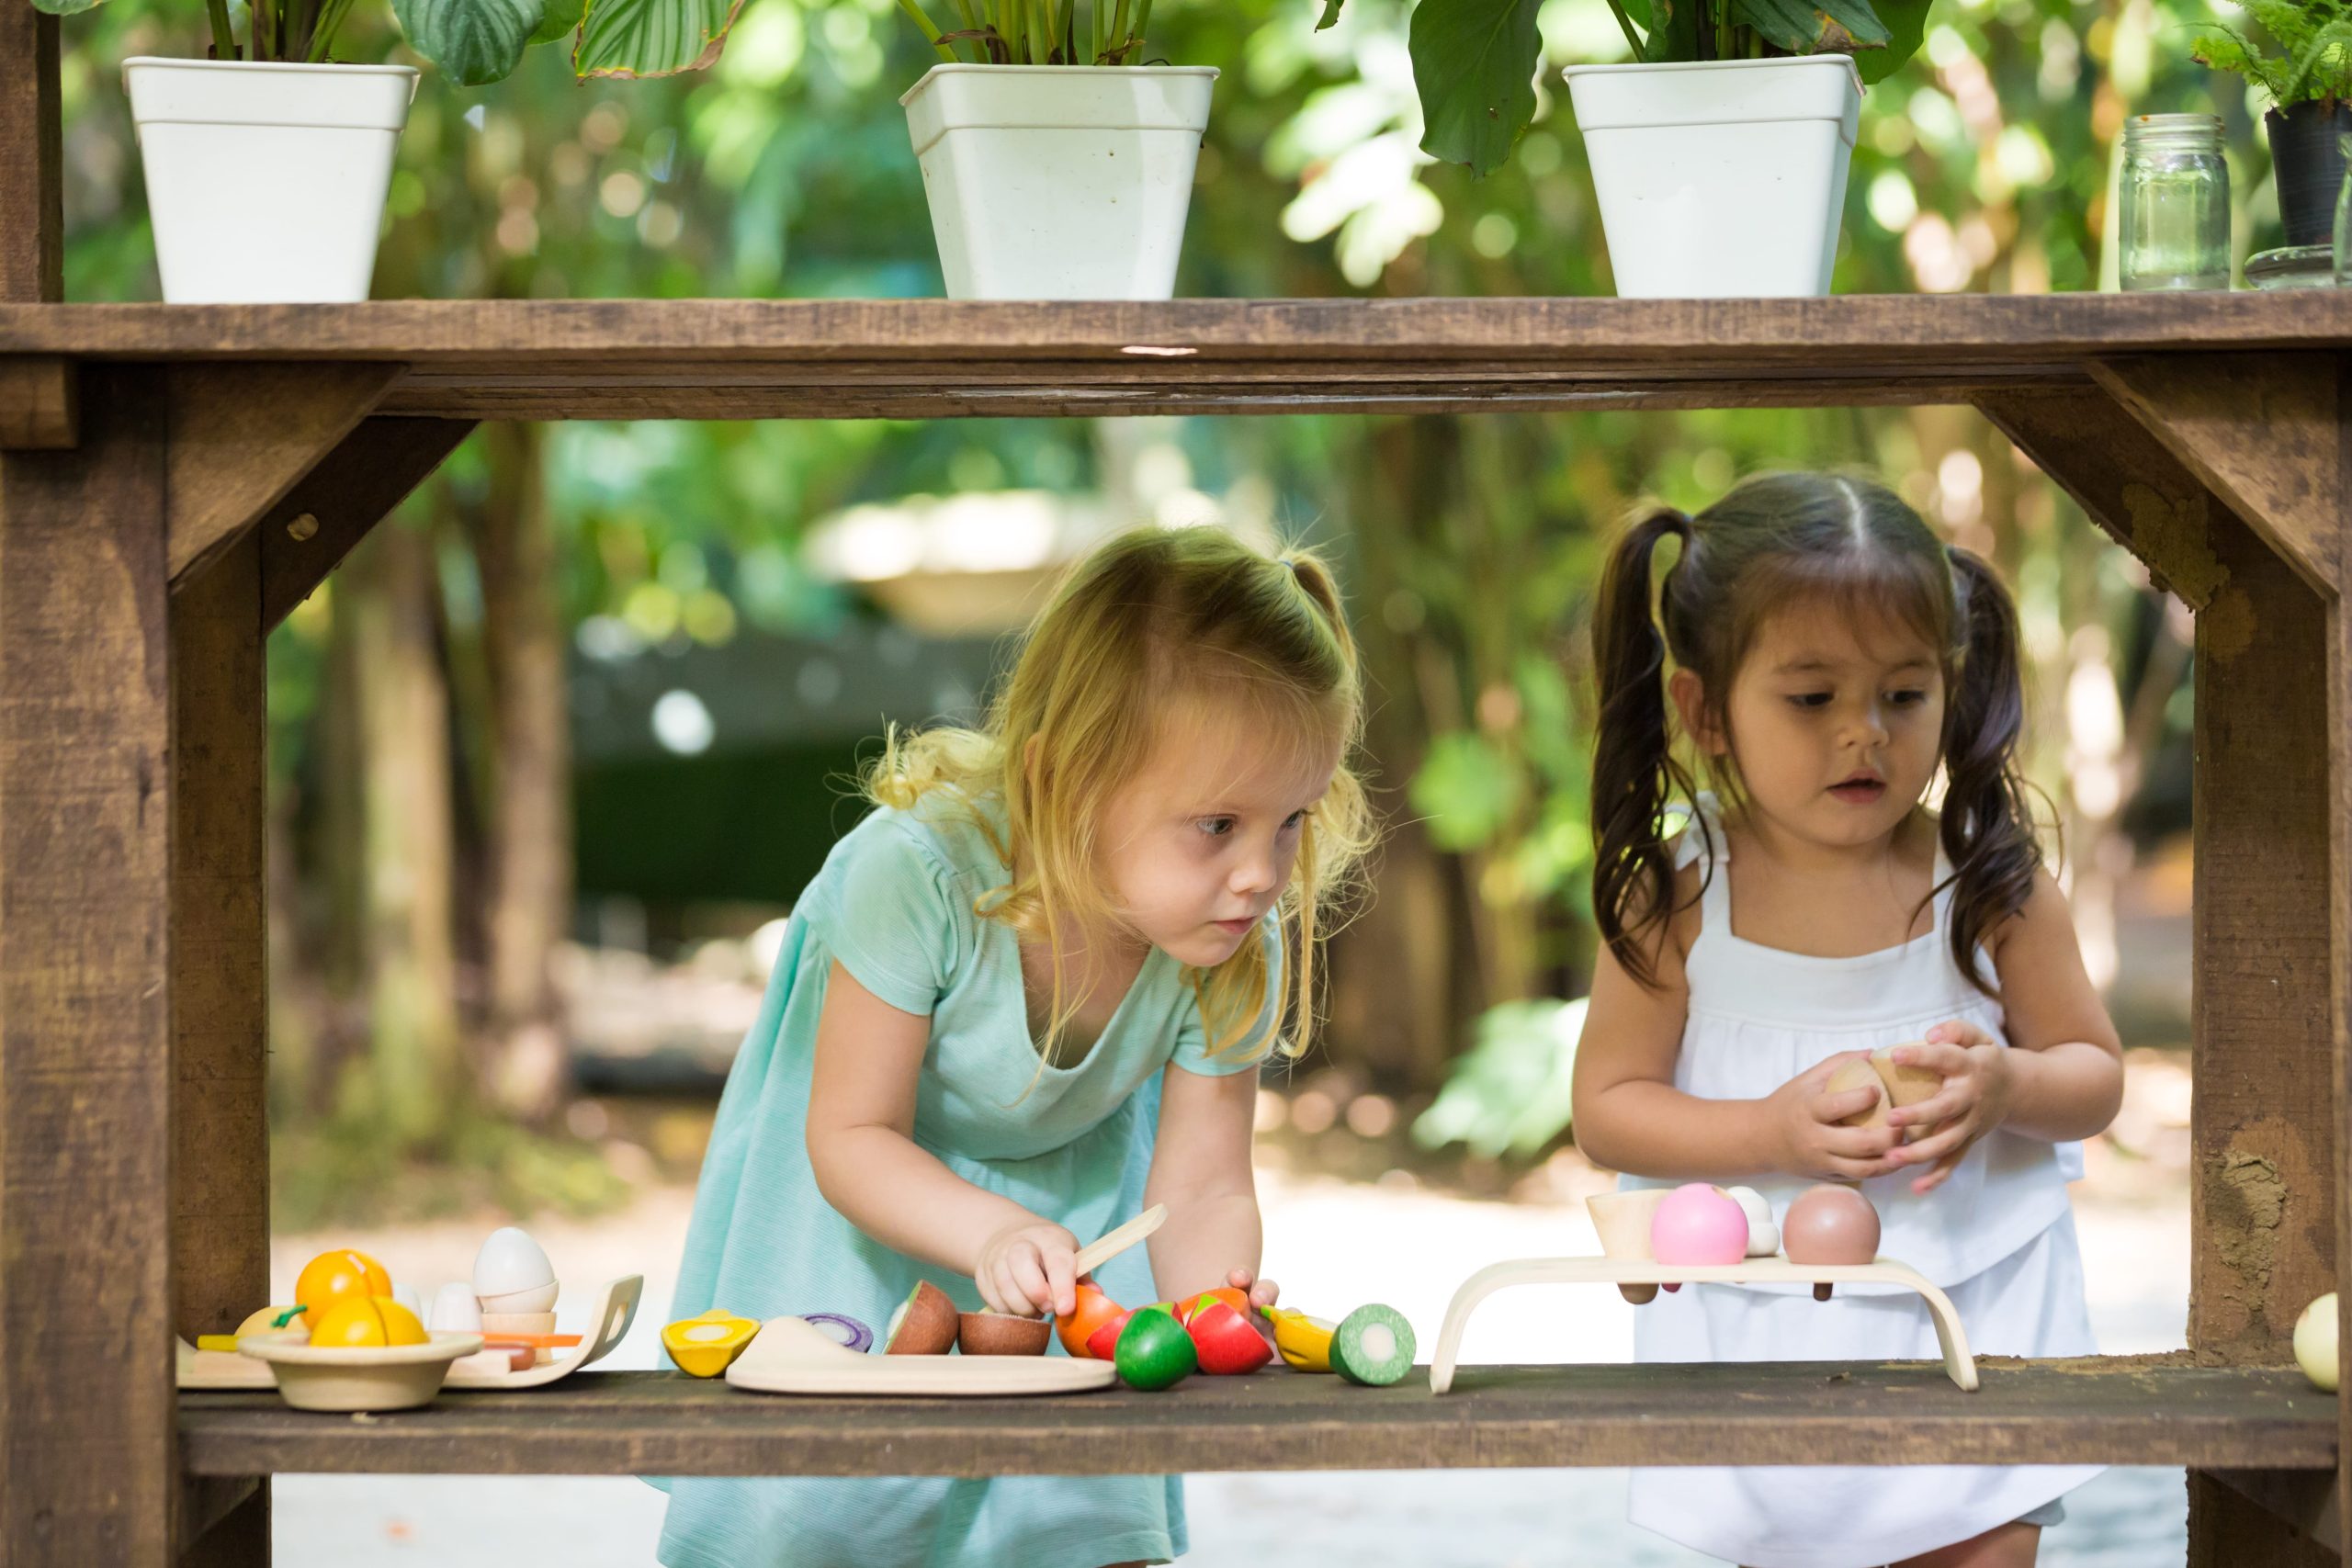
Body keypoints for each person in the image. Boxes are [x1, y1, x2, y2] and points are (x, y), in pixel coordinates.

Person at [655, 525, 1373, 1568]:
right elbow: (850, 1134)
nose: (1262, 874)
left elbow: (1204, 1185)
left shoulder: (1227, 940)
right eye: (1219, 824)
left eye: (1290, 820)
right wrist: (990, 1232)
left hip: (1067, 1228)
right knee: (827, 1513)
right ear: (1065, 782)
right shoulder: (916, 875)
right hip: (861, 1213)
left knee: (1072, 1514)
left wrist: (1211, 1301)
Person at [1571, 471, 2125, 1568]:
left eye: (1903, 695)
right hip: (1760, 1343)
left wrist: (2010, 1085)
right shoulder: (1679, 896)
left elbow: (2094, 1074)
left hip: (1973, 1323)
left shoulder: (1988, 883)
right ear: (1704, 712)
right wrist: (1765, 1133)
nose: (1863, 734)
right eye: (1812, 698)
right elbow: (1607, 1108)